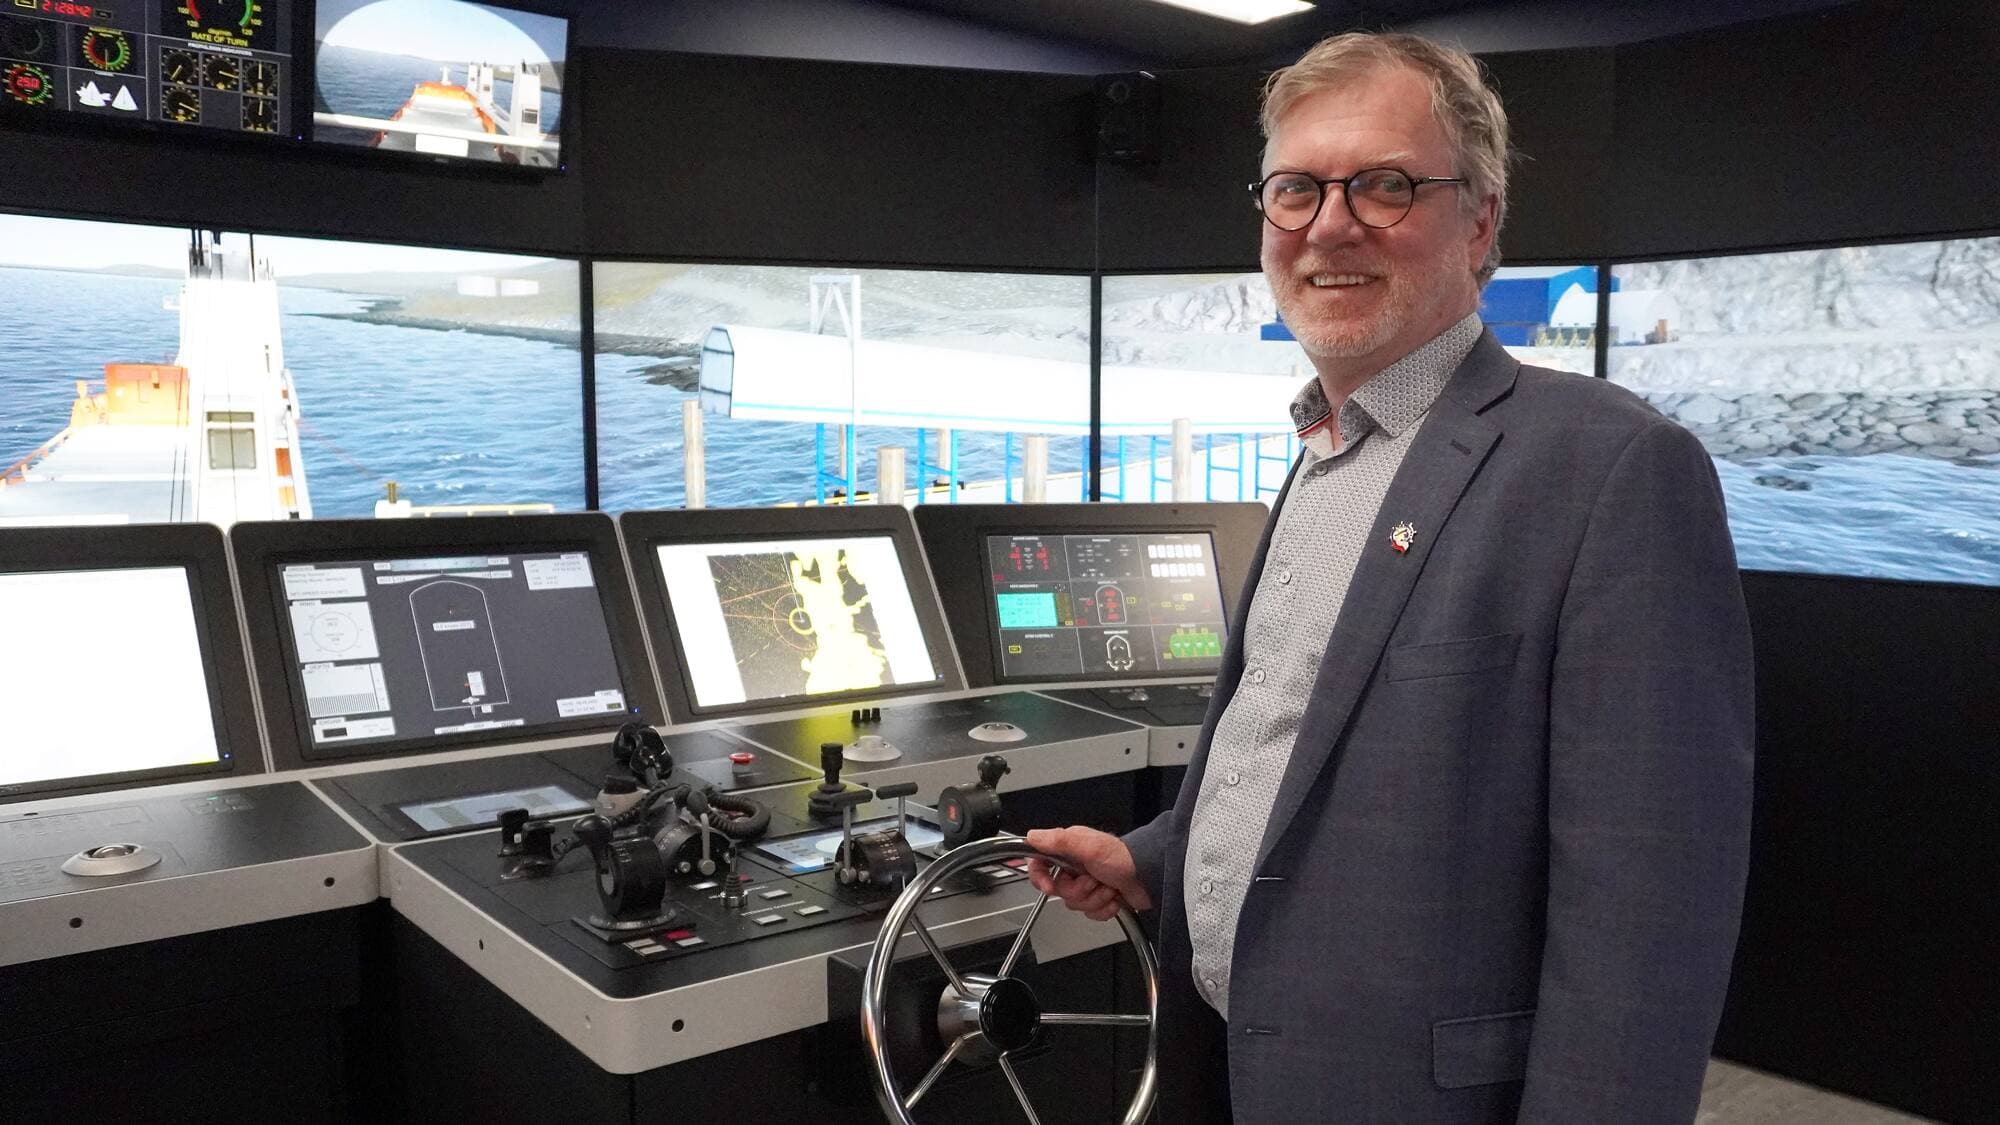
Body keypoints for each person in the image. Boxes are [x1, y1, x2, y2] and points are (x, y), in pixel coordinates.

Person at [1027, 31, 1753, 1125]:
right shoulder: (1325, 450)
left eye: (1382, 185)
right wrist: (1150, 859)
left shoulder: (1609, 468)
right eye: (1294, 189)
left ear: (1479, 221)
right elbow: (1293, 754)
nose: (1328, 224)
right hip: (1226, 1064)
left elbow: (1648, 915)